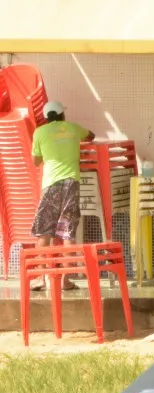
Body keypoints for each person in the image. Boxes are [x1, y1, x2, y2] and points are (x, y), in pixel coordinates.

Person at [29, 99, 94, 290]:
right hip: (71, 183)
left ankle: (41, 278)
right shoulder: (73, 128)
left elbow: (35, 161)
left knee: (44, 232)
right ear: (62, 115)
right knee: (68, 232)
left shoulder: (40, 132)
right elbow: (91, 135)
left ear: (46, 117)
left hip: (50, 184)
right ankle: (65, 281)